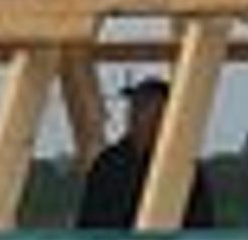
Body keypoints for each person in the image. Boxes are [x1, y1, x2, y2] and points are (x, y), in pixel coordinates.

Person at [77, 75, 213, 231]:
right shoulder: (108, 163)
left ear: (165, 116)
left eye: (144, 105)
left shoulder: (184, 169)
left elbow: (201, 228)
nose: (134, 113)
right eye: (134, 105)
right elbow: (88, 224)